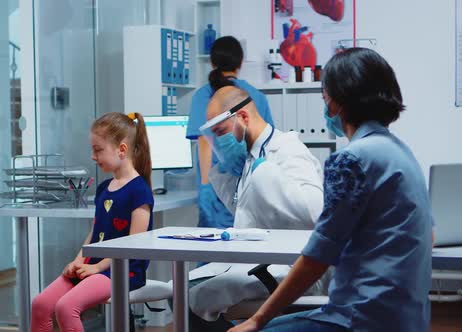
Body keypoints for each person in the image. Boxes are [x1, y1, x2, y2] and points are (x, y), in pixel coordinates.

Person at [229, 48, 433, 332]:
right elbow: (429, 236)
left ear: (338, 103)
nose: (326, 108)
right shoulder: (403, 153)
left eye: (325, 98)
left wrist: (256, 320)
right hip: (409, 318)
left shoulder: (352, 160)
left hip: (360, 318)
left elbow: (317, 258)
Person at [184, 85, 325, 331]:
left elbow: (314, 213)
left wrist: (264, 173)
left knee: (195, 296)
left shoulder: (286, 150)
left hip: (289, 268)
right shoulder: (250, 157)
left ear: (243, 117)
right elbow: (245, 212)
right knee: (183, 289)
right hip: (259, 262)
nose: (219, 141)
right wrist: (225, 174)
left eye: (221, 132)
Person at [30, 112, 154, 332]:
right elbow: (95, 233)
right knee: (40, 305)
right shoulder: (104, 188)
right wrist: (78, 260)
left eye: (98, 150)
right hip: (92, 266)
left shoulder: (140, 191)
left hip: (122, 271)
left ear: (122, 150)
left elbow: (132, 245)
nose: (93, 156)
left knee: (66, 307)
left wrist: (97, 267)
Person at [186, 36, 274, 230]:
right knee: (246, 249)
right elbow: (265, 141)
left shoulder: (204, 95)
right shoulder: (254, 95)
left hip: (217, 185)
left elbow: (205, 142)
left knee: (213, 253)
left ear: (212, 62)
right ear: (240, 63)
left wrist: (206, 187)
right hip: (249, 182)